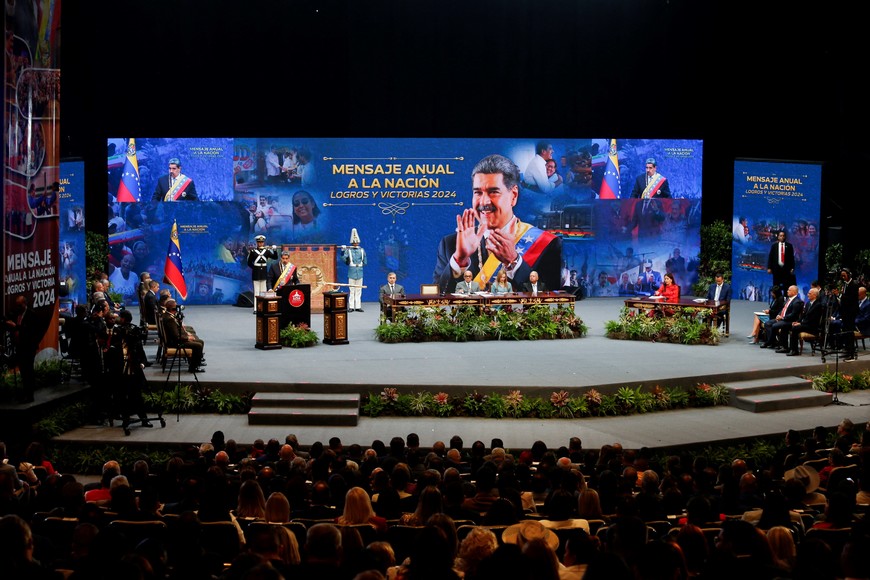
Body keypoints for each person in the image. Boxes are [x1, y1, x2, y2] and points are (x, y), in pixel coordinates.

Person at [433, 154, 562, 293]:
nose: (484, 202)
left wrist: (514, 262)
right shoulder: (451, 244)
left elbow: (550, 304)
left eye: (493, 192)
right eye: (478, 193)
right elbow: (437, 302)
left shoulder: (547, 244)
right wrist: (460, 260)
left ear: (513, 195)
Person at [4, 295, 41, 403]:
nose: (18, 307)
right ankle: (24, 393)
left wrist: (16, 327)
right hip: (19, 347)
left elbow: (30, 331)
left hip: (28, 347)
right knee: (23, 371)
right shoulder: (16, 314)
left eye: (20, 305)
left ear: (25, 304)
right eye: (17, 305)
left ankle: (30, 395)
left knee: (28, 371)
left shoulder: (31, 315)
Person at [162, 299, 205, 373]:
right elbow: (176, 336)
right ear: (173, 309)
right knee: (198, 345)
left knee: (200, 341)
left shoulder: (167, 315)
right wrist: (187, 338)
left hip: (175, 340)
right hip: (175, 343)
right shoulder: (169, 319)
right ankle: (193, 368)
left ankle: (196, 363)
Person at [761, 284, 803, 350]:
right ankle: (773, 342)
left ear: (794, 292)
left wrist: (782, 318)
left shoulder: (797, 302)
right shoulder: (788, 299)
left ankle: (771, 342)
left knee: (775, 325)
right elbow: (783, 309)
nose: (787, 291)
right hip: (782, 318)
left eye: (789, 290)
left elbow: (793, 314)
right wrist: (779, 315)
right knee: (767, 324)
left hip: (789, 320)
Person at [785, 286, 824, 356]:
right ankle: (792, 348)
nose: (807, 295)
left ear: (815, 295)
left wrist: (800, 324)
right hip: (806, 324)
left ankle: (794, 350)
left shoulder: (818, 305)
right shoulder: (809, 303)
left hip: (812, 326)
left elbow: (813, 319)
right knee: (793, 325)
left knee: (795, 328)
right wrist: (798, 321)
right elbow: (803, 315)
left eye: (809, 293)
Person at [246, 234, 278, 312]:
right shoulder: (253, 252)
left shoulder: (266, 251)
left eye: (262, 242)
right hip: (256, 273)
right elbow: (249, 262)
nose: (260, 243)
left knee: (263, 291)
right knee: (256, 291)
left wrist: (275, 250)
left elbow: (275, 257)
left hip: (263, 272)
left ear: (263, 242)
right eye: (259, 242)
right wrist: (254, 268)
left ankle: (263, 307)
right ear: (257, 243)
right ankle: (256, 308)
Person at [342, 228, 367, 312]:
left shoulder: (362, 250)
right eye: (354, 242)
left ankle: (358, 306)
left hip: (359, 272)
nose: (355, 243)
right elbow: (344, 259)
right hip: (351, 272)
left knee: (359, 290)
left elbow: (365, 261)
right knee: (352, 290)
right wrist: (343, 251)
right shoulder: (348, 251)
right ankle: (351, 306)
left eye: (356, 242)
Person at [839, 267, 860, 362]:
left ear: (849, 275)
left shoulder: (854, 284)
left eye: (844, 275)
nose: (843, 277)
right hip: (845, 312)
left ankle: (851, 353)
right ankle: (847, 350)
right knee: (845, 331)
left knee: (850, 332)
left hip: (851, 313)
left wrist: (841, 296)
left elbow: (851, 299)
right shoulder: (845, 284)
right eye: (841, 275)